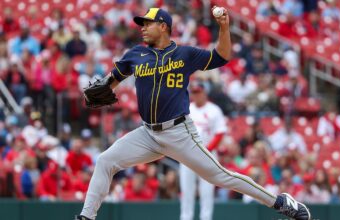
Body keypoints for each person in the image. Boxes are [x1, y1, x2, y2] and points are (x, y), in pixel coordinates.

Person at [75, 7, 311, 220]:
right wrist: (101, 87)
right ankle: (86, 217)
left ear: (164, 26)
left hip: (179, 132)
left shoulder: (185, 54)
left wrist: (224, 28)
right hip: (147, 134)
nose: (143, 28)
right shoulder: (136, 54)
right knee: (105, 160)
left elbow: (222, 56)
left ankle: (280, 202)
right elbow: (111, 81)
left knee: (220, 176)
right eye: (142, 24)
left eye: (148, 23)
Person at [180, 81, 227, 220]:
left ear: (204, 92)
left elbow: (220, 133)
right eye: (194, 92)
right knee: (186, 192)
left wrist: (207, 149)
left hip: (208, 155)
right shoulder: (186, 108)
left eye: (198, 92)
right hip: (188, 155)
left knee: (206, 192)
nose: (196, 95)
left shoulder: (214, 110)